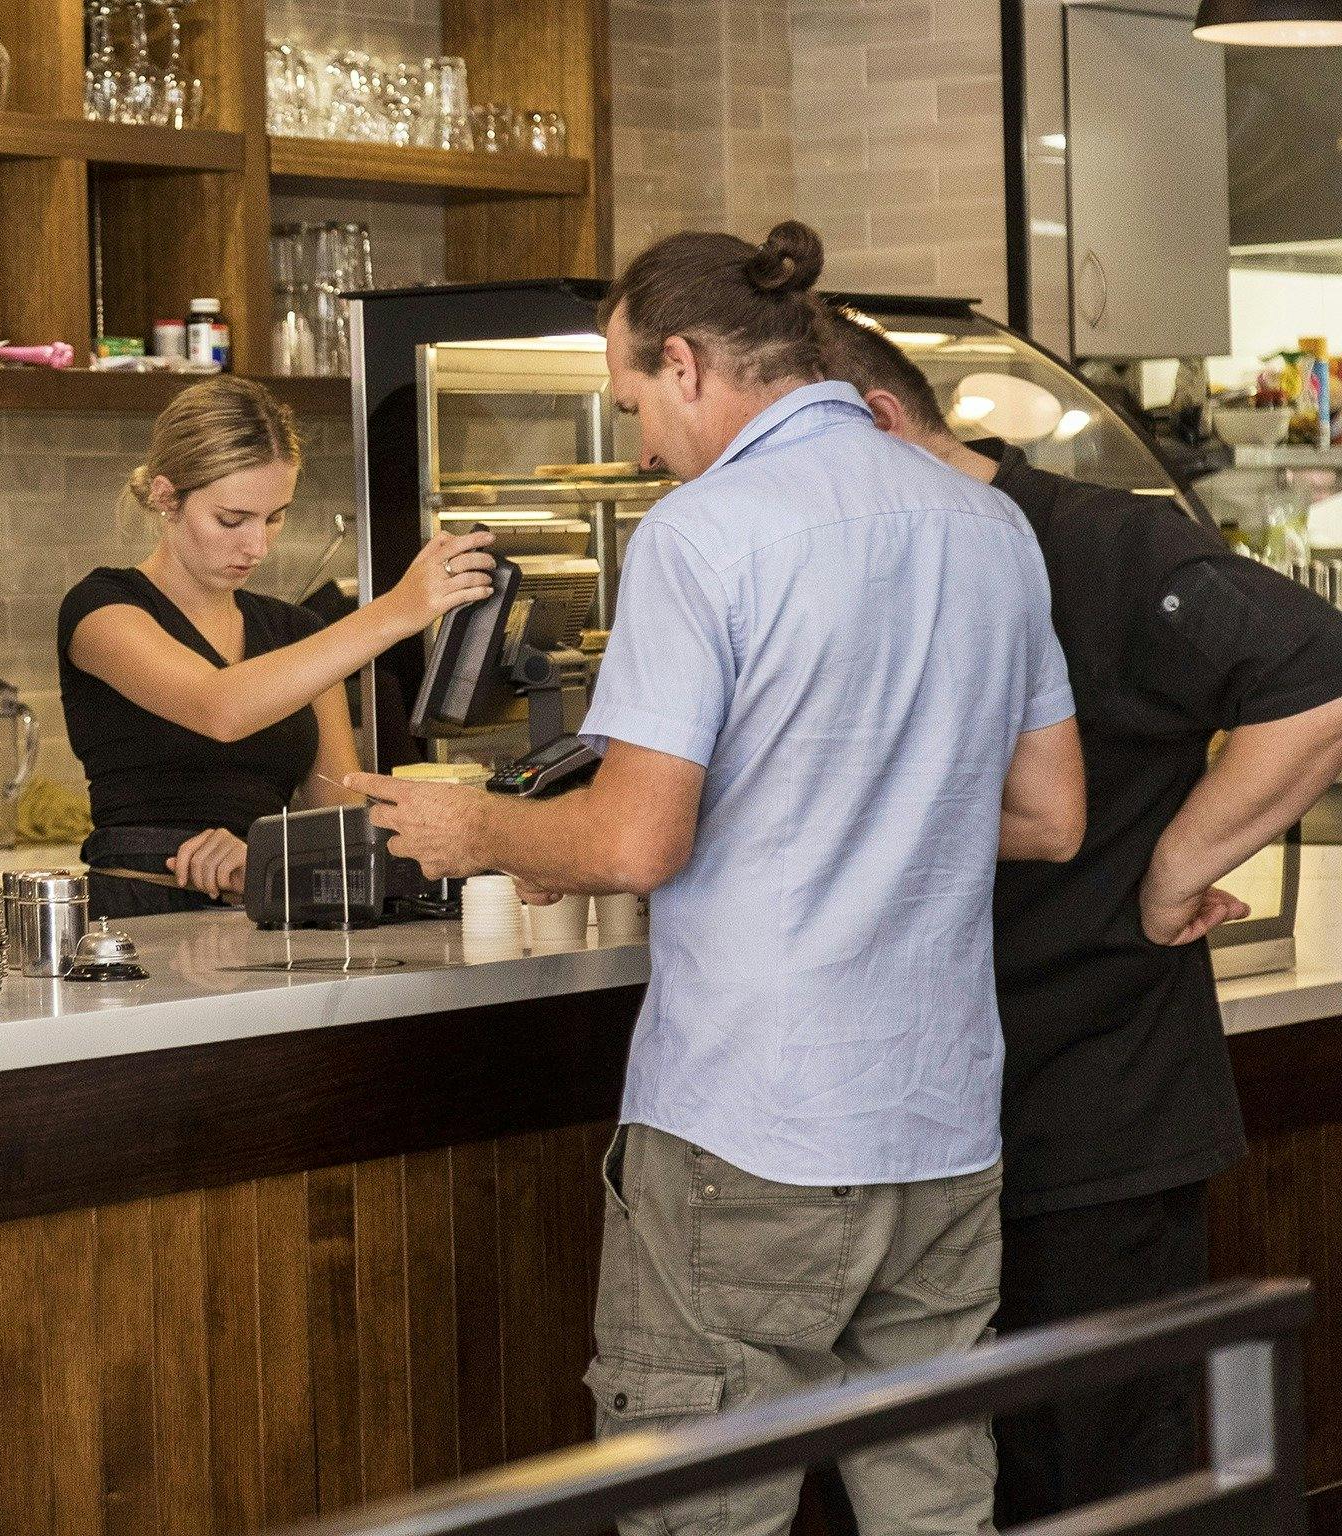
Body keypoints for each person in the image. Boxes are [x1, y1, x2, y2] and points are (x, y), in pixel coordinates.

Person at [349, 221, 1087, 1536]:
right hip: (941, 1124)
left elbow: (636, 844)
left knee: (706, 1518)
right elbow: (1047, 813)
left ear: (686, 364)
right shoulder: (991, 528)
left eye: (634, 401)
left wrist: (481, 834)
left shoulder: (703, 536)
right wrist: (861, 799)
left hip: (753, 1128)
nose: (638, 443)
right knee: (935, 1512)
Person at [825, 311, 1342, 1525]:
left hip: (1096, 1105)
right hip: (908, 1123)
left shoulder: (1102, 542)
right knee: (938, 1480)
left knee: (1110, 1474)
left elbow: (1317, 676)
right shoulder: (863, 569)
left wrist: (1173, 871)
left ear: (883, 424)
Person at [58, 376, 497, 918]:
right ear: (167, 498)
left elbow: (338, 831)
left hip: (261, 921)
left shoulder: (298, 633)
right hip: (134, 922)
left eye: (275, 516)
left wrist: (263, 862)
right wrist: (395, 611)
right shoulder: (102, 609)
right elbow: (219, 707)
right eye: (232, 519)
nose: (258, 545)